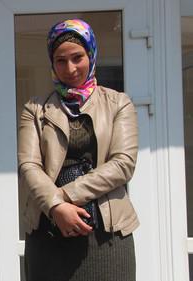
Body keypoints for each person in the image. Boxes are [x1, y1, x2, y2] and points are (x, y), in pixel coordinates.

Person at [17, 19, 139, 281]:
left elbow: (123, 163)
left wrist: (63, 197)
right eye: (61, 60)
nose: (70, 68)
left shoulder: (119, 103)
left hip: (107, 235)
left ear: (91, 55)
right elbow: (29, 165)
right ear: (52, 62)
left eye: (77, 57)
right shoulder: (35, 109)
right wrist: (55, 209)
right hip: (48, 234)